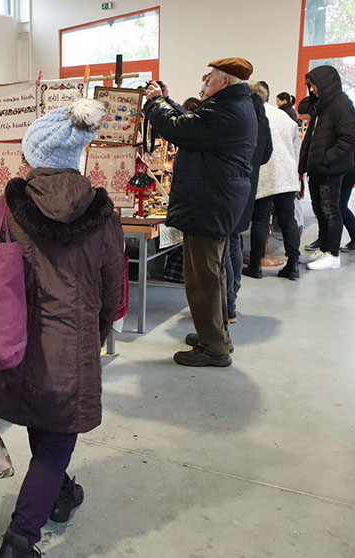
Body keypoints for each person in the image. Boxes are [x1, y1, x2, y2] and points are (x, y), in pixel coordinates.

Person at [0, 98, 123, 558]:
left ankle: (60, 492)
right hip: (72, 339)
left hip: (16, 338)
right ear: (78, 152)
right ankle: (21, 539)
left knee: (44, 421)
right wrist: (97, 331)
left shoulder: (6, 207)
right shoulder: (102, 213)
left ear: (32, 153)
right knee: (57, 437)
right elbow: (113, 287)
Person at [143, 58, 257, 367]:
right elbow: (193, 125)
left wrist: (154, 103)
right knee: (213, 274)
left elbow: (181, 131)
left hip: (209, 201)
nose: (206, 83)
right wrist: (167, 101)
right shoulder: (233, 106)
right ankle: (216, 336)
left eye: (210, 79)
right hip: (216, 199)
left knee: (202, 279)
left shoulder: (226, 110)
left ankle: (213, 347)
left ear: (224, 81)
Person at [298, 65, 355, 271]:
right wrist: (305, 164)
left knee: (331, 210)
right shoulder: (321, 106)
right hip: (317, 168)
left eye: (314, 85)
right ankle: (324, 248)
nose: (312, 89)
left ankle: (332, 254)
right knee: (319, 209)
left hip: (331, 169)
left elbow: (348, 138)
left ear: (326, 83)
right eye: (310, 85)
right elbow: (310, 137)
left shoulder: (342, 105)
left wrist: (326, 159)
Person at [245, 84, 303, 280]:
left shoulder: (252, 113)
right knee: (288, 220)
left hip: (264, 172)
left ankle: (255, 265)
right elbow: (296, 148)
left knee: (260, 220)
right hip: (286, 174)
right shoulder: (284, 116)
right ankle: (293, 265)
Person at [225, 81, 272, 321]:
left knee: (223, 244)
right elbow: (267, 153)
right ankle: (232, 297)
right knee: (234, 240)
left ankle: (226, 304)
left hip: (227, 184)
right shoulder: (262, 118)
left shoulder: (238, 114)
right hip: (248, 184)